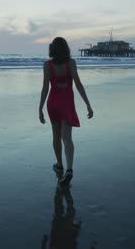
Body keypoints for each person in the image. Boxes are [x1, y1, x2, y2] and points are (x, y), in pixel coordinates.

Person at [39, 37, 93, 188]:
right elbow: (78, 84)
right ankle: (69, 169)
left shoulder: (47, 65)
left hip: (53, 103)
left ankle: (59, 165)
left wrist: (40, 108)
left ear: (52, 50)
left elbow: (45, 88)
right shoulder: (71, 63)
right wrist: (88, 104)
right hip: (67, 103)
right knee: (67, 138)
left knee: (56, 136)